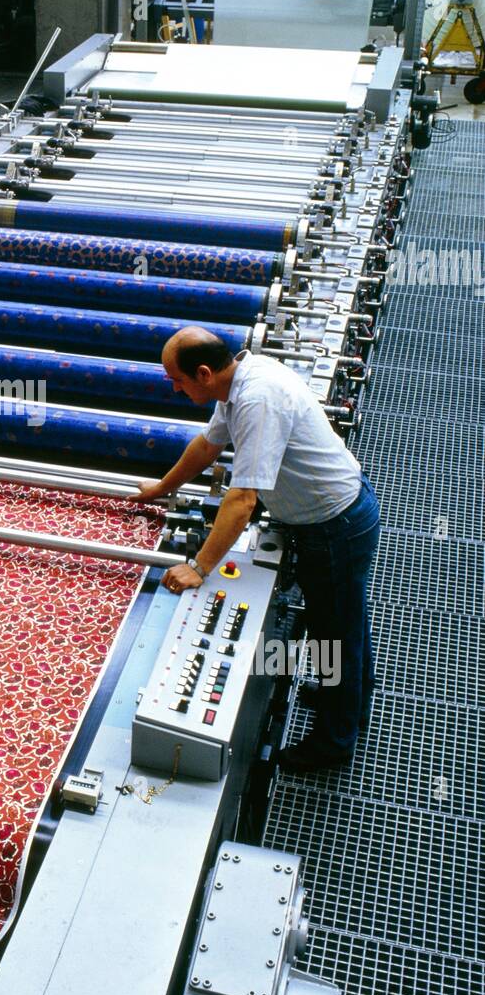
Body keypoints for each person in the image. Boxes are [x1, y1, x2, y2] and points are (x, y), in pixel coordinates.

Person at [137, 327, 380, 773]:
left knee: (334, 632)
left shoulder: (256, 399)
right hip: (330, 520)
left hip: (333, 528)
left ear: (204, 373)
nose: (174, 387)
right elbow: (207, 446)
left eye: (177, 379)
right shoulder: (237, 384)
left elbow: (242, 499)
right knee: (345, 617)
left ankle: (334, 740)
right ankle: (349, 694)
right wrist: (162, 488)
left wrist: (199, 566)